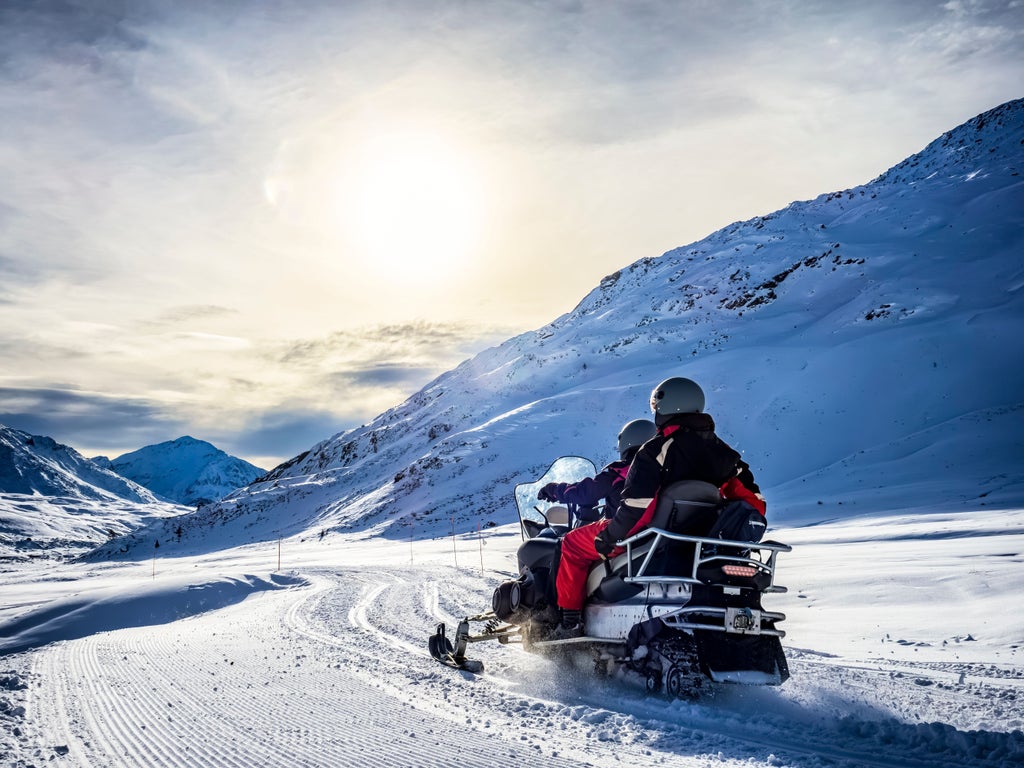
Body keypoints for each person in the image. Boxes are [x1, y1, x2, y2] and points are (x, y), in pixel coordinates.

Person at [550, 376, 766, 640]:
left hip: (649, 533)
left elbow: (636, 506)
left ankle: (570, 621)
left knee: (571, 544)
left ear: (666, 407)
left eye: (656, 406)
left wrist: (609, 538)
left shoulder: (654, 450)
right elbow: (754, 502)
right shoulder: (726, 454)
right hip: (700, 538)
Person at [537, 419, 657, 525]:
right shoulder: (662, 470)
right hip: (650, 534)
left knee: (565, 543)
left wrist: (553, 490)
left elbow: (584, 493)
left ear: (626, 441)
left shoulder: (620, 472)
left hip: (621, 538)